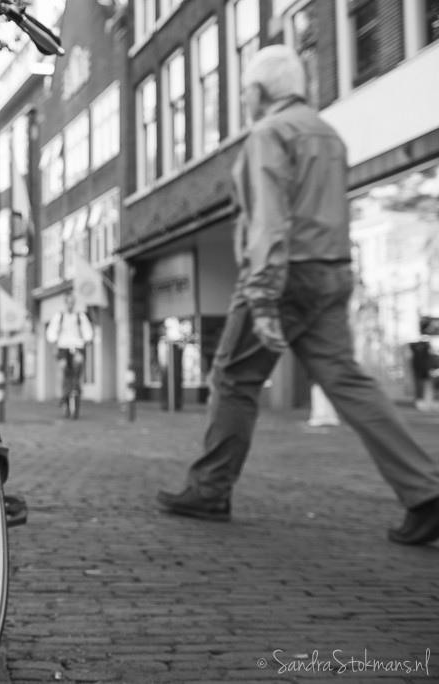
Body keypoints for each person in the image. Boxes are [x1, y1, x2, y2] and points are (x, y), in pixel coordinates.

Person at [156, 45, 439, 545]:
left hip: (283, 275)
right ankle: (425, 491)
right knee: (348, 381)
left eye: (245, 89)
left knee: (234, 378)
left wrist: (262, 295)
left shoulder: (268, 133)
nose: (243, 98)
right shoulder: (327, 133)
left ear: (260, 91)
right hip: (331, 271)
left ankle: (209, 489)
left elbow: (269, 219)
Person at [45, 293, 93, 407]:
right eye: (68, 303)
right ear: (65, 303)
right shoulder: (59, 316)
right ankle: (64, 393)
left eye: (72, 303)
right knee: (63, 366)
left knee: (79, 361)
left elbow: (87, 329)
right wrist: (53, 340)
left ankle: (77, 385)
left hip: (77, 345)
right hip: (63, 346)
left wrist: (88, 338)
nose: (70, 305)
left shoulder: (80, 316)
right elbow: (52, 330)